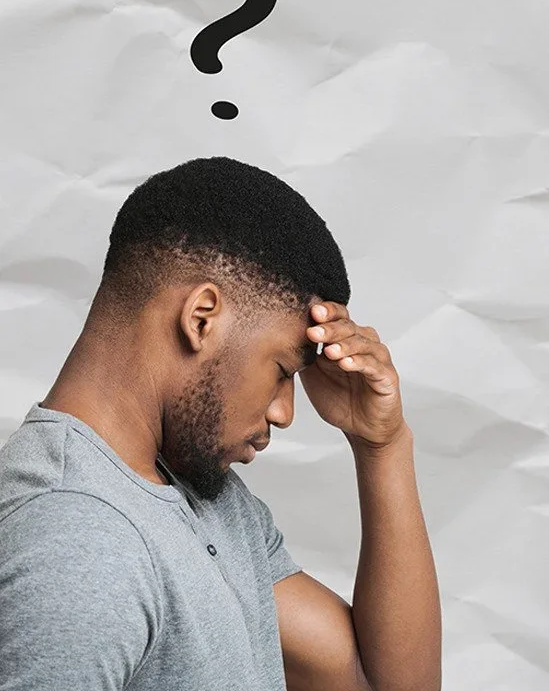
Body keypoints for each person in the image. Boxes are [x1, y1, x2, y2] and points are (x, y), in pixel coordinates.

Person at [0, 157, 442, 691]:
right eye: (283, 371)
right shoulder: (79, 541)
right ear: (202, 318)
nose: (285, 412)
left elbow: (376, 683)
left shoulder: (205, 500)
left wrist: (382, 444)